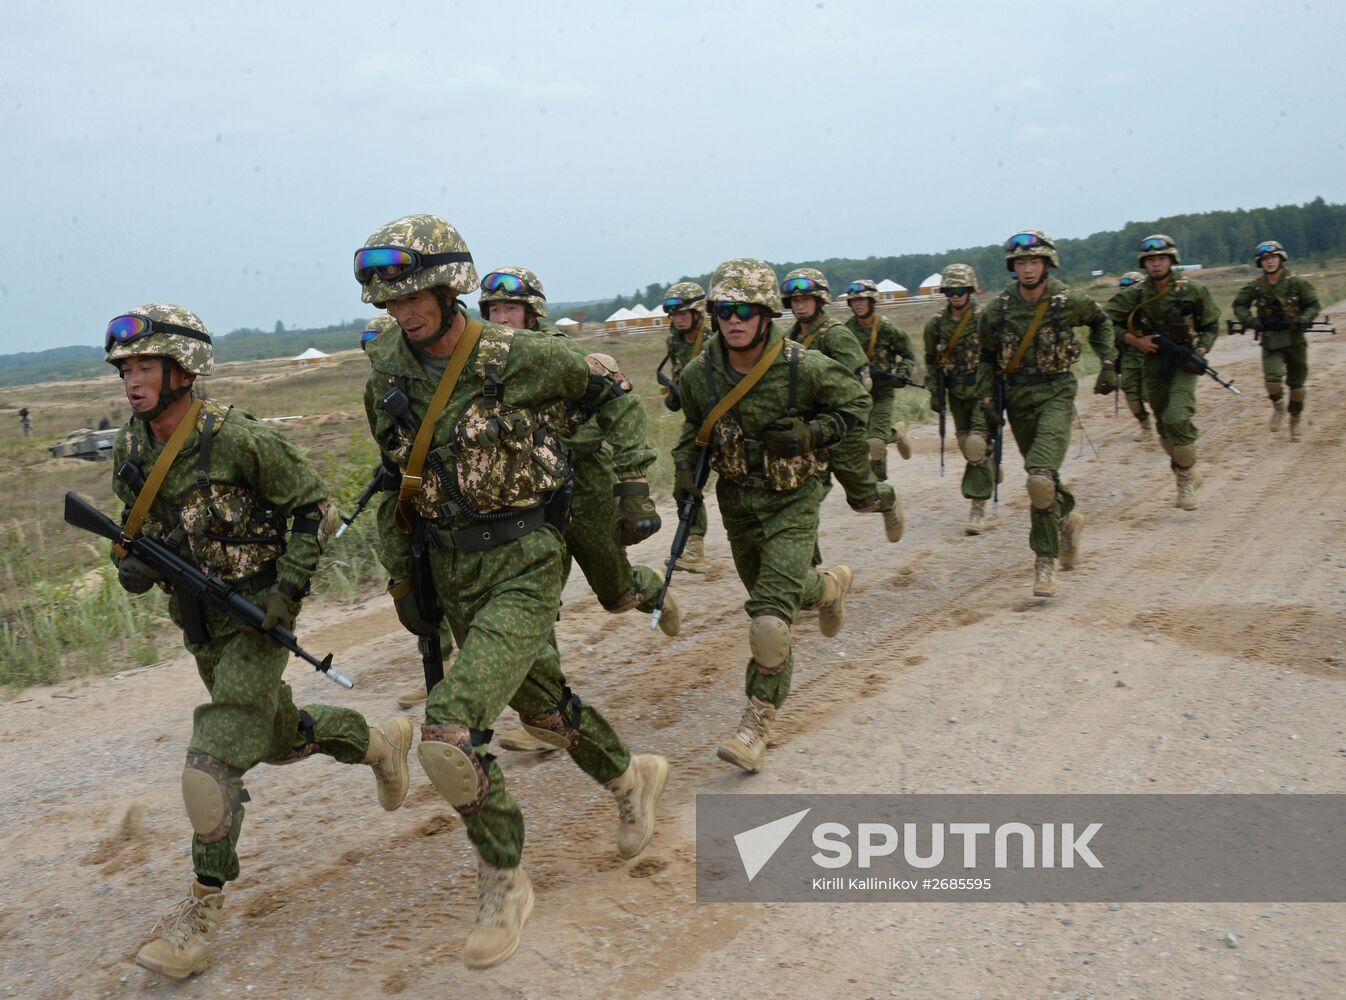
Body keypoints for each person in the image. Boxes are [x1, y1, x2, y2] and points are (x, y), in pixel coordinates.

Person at [356, 215, 668, 969]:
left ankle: (503, 877)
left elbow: (613, 392)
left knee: (450, 732)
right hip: (452, 568)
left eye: (414, 295)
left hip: (526, 557)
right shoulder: (388, 369)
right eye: (389, 301)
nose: (402, 311)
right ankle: (633, 778)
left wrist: (628, 483)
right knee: (545, 709)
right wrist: (402, 575)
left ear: (448, 285)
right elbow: (399, 479)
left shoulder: (520, 355)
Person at [103, 304, 412, 981]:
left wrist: (287, 593)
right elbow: (137, 534)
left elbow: (314, 509)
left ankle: (201, 912)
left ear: (184, 371)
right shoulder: (132, 449)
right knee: (273, 737)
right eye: (125, 368)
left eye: (144, 366)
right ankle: (380, 744)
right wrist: (136, 564)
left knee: (212, 763)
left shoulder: (239, 439)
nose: (132, 380)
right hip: (200, 626)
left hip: (258, 619)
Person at [673, 258, 869, 772]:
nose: (733, 320)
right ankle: (827, 587)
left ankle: (755, 722)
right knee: (776, 594)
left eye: (745, 310)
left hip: (794, 499)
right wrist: (683, 473)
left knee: (768, 620)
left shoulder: (803, 366)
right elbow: (692, 430)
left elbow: (855, 406)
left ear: (766, 314)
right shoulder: (699, 375)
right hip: (738, 503)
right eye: (723, 310)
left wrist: (813, 433)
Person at [977, 231, 1116, 597]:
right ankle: (1067, 519)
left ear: (1047, 264)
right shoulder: (998, 309)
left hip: (1056, 390)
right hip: (1017, 396)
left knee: (1039, 478)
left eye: (1034, 262)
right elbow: (987, 357)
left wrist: (1107, 361)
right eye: (1021, 263)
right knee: (1045, 476)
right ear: (1012, 267)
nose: (1027, 269)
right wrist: (987, 398)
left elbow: (1101, 322)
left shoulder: (1068, 300)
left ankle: (1044, 561)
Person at [779, 267, 903, 543]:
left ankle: (889, 500)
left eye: (806, 299)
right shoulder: (788, 339)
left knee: (863, 500)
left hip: (842, 431)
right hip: (808, 433)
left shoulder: (836, 334)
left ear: (819, 300)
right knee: (801, 505)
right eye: (795, 301)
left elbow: (861, 385)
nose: (800, 305)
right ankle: (806, 572)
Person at [1105, 234, 1220, 510]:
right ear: (1145, 263)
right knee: (1163, 427)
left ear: (1172, 260)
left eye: (1161, 259)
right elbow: (1105, 321)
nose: (1156, 265)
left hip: (1184, 361)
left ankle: (1184, 481)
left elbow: (1211, 323)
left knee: (1177, 417)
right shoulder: (1134, 294)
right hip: (1153, 362)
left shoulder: (1193, 290)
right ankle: (1189, 469)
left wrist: (1201, 351)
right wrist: (1135, 341)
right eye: (1151, 260)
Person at [922, 264, 995, 533]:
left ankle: (978, 508)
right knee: (969, 447)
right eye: (950, 290)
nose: (955, 295)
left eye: (960, 290)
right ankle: (989, 466)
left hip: (983, 391)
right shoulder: (936, 324)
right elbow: (931, 361)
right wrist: (934, 391)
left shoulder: (984, 318)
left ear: (970, 290)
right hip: (956, 393)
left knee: (975, 446)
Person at [1232, 240, 1321, 441]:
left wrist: (1304, 319)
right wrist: (1253, 322)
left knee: (1297, 386)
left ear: (1280, 259)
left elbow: (1313, 304)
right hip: (1271, 340)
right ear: (1260, 263)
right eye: (1265, 259)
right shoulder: (1255, 287)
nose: (1269, 262)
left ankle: (1295, 418)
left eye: (1272, 258)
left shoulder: (1296, 283)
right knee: (1272, 380)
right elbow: (1239, 305)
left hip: (1295, 339)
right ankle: (1278, 406)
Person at [658, 280, 713, 572]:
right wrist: (674, 396)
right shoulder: (675, 341)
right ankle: (695, 545)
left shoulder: (716, 336)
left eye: (683, 313)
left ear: (697, 312)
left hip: (730, 417)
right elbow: (680, 379)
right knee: (685, 472)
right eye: (674, 315)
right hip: (697, 421)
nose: (678, 319)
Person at [843, 279, 915, 480]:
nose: (857, 304)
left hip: (883, 392)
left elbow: (908, 356)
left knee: (875, 442)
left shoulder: (888, 329)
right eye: (854, 300)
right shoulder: (845, 331)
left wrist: (902, 374)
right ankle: (897, 433)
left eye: (862, 300)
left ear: (872, 301)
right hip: (856, 396)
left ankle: (878, 486)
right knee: (863, 441)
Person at [1111, 272, 1155, 441]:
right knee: (1130, 393)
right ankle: (1146, 426)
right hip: (1129, 355)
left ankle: (1167, 424)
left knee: (1150, 393)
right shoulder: (1118, 312)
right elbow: (1110, 332)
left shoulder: (1151, 309)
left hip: (1150, 355)